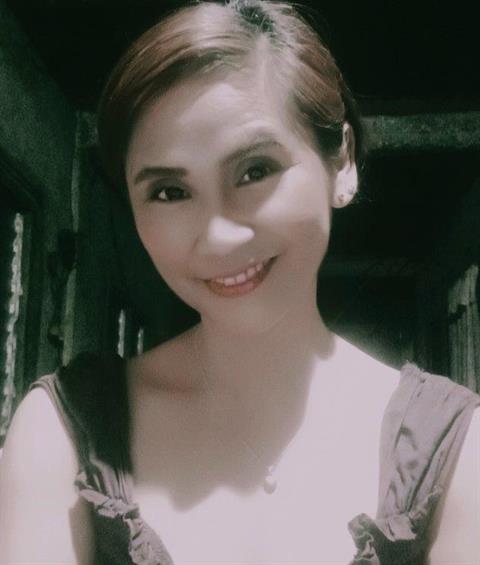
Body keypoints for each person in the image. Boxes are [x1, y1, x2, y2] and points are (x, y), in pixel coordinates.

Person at [0, 1, 479, 564]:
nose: (219, 236)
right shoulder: (59, 437)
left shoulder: (455, 452)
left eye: (256, 170)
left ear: (342, 162)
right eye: (170, 192)